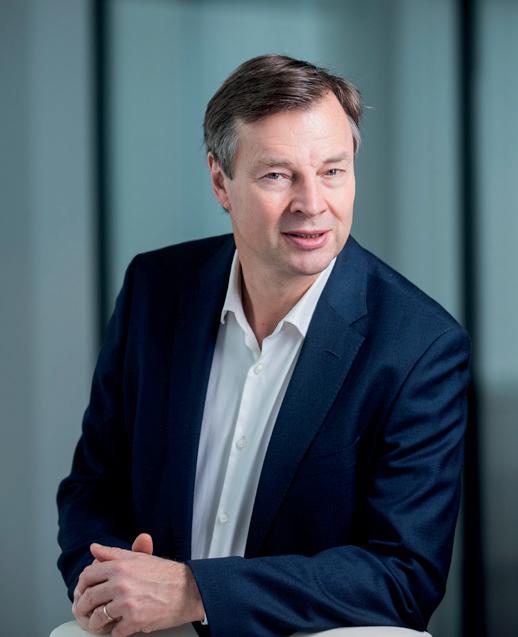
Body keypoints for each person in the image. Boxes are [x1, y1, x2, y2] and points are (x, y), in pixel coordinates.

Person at [57, 54, 470, 637]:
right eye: (277, 175)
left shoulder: (420, 345)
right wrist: (106, 582)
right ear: (220, 181)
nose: (312, 203)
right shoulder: (155, 289)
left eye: (332, 170)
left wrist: (195, 591)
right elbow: (93, 486)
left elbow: (404, 576)